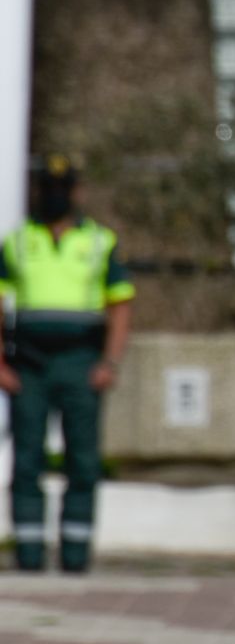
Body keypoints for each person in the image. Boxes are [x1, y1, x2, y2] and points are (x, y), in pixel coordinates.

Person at [0, 156, 134, 572]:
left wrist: (110, 361)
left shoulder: (99, 242)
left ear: (77, 192)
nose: (54, 195)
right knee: (27, 460)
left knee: (83, 460)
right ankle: (28, 552)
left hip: (81, 362)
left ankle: (76, 554)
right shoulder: (18, 241)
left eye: (62, 187)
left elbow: (120, 305)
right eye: (47, 187)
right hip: (29, 364)